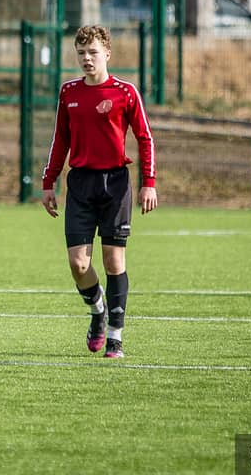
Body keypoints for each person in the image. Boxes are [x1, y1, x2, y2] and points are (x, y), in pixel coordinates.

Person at [40, 25, 156, 359]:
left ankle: (115, 337)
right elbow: (60, 139)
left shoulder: (125, 92)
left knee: (113, 260)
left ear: (107, 53)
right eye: (81, 53)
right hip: (80, 184)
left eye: (93, 52)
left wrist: (149, 182)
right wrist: (49, 182)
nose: (87, 59)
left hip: (115, 184)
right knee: (78, 264)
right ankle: (97, 310)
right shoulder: (69, 92)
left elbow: (145, 138)